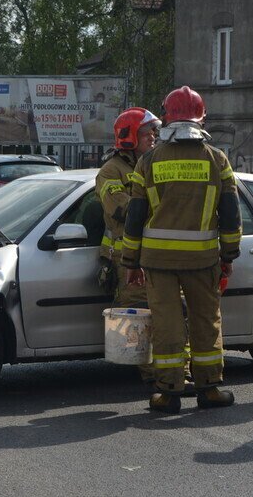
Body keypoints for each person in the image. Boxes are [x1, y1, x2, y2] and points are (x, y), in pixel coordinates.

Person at [121, 86, 241, 414]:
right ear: (201, 119)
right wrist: (228, 255)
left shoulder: (148, 161)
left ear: (167, 119)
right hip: (203, 259)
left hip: (158, 262)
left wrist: (131, 261)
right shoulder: (217, 160)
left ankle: (169, 392)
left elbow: (134, 218)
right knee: (206, 320)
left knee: (167, 323)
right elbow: (230, 215)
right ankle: (209, 389)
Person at [96, 107, 161, 388]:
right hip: (127, 259)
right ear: (130, 137)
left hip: (157, 255)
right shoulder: (111, 170)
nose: (154, 137)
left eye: (155, 132)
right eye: (148, 133)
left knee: (168, 315)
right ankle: (152, 376)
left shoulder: (152, 163)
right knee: (141, 315)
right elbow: (121, 210)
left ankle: (172, 372)